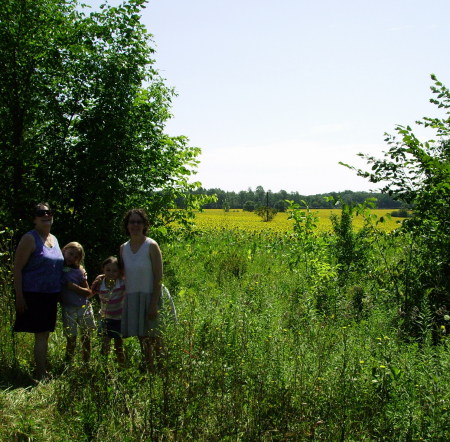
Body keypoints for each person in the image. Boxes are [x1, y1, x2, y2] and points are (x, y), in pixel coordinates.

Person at [13, 203, 64, 380]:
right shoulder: (29, 238)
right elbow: (17, 269)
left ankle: (42, 369)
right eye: (41, 213)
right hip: (34, 294)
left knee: (45, 334)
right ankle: (41, 373)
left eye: (49, 212)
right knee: (41, 334)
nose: (46, 215)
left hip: (51, 295)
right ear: (34, 219)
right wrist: (19, 296)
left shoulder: (54, 239)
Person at [120, 208, 163, 369]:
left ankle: (162, 369)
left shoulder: (151, 245)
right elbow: (122, 274)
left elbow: (159, 277)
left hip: (150, 295)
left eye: (139, 222)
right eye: (132, 222)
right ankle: (149, 368)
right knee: (142, 336)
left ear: (145, 225)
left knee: (155, 337)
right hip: (132, 296)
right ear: (127, 225)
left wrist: (153, 304)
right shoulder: (123, 248)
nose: (135, 225)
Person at [60, 242, 95, 363]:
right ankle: (68, 363)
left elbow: (88, 292)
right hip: (68, 308)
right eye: (70, 254)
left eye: (75, 257)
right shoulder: (58, 267)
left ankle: (86, 362)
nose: (71, 258)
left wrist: (74, 287)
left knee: (85, 337)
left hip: (83, 307)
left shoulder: (79, 271)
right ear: (64, 250)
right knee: (71, 338)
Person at [91, 256, 125, 366]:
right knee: (104, 345)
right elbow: (91, 293)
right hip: (105, 318)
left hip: (119, 319)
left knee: (119, 346)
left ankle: (121, 366)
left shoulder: (121, 282)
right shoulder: (100, 283)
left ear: (119, 272)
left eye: (115, 271)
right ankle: (104, 368)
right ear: (103, 270)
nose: (111, 273)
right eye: (108, 270)